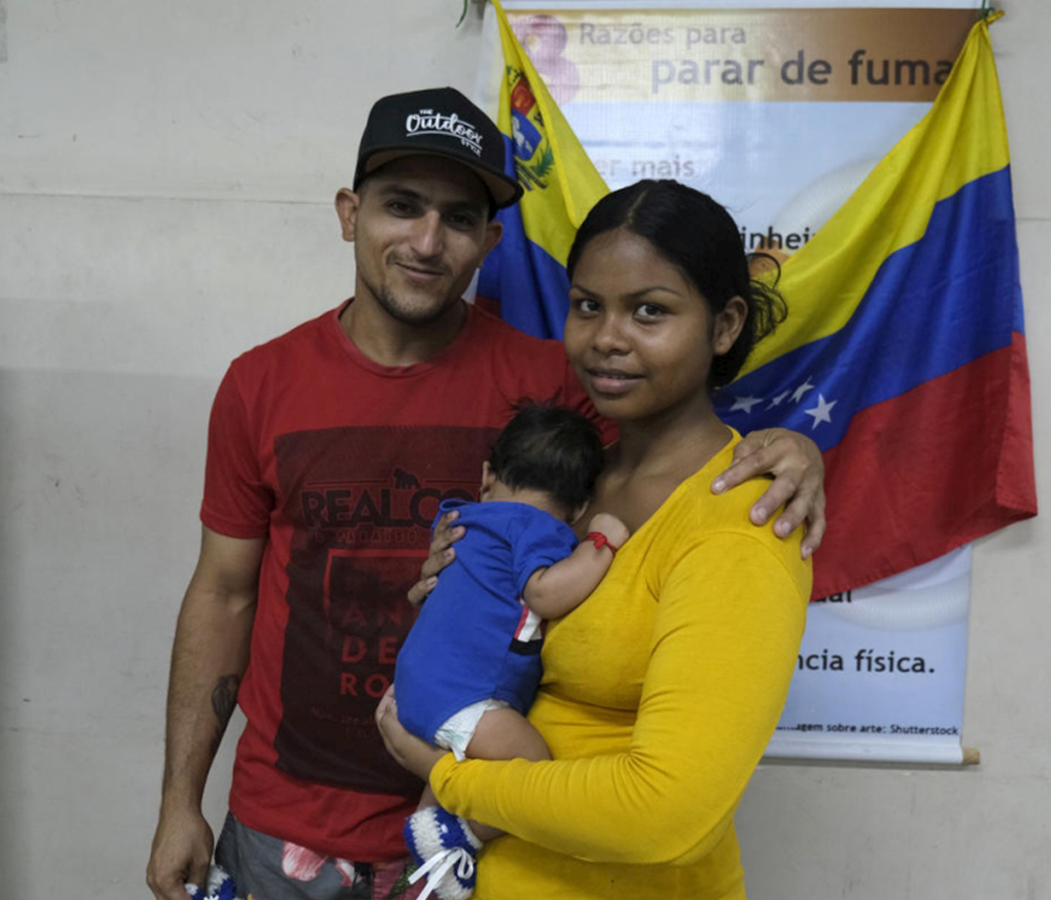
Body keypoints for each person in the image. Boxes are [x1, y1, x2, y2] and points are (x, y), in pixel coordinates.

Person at [146, 85, 825, 900]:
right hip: (290, 824)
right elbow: (223, 596)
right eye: (401, 205)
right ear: (349, 212)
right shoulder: (262, 384)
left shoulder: (557, 389)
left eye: (459, 218)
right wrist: (179, 800)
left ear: (490, 241)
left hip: (466, 830)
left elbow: (682, 463)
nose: (427, 242)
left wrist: (797, 447)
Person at [377, 179, 813, 900]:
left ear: (726, 325)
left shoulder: (743, 526)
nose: (608, 338)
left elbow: (662, 813)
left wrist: (447, 773)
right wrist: (458, 589)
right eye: (589, 306)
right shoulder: (575, 490)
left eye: (650, 311)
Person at [393, 403, 628, 900]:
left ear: (486, 476)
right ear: (580, 505)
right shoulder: (538, 529)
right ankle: (463, 839)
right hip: (468, 694)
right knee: (532, 765)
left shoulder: (463, 520)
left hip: (418, 683)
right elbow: (544, 592)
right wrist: (601, 544)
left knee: (460, 765)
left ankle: (426, 839)